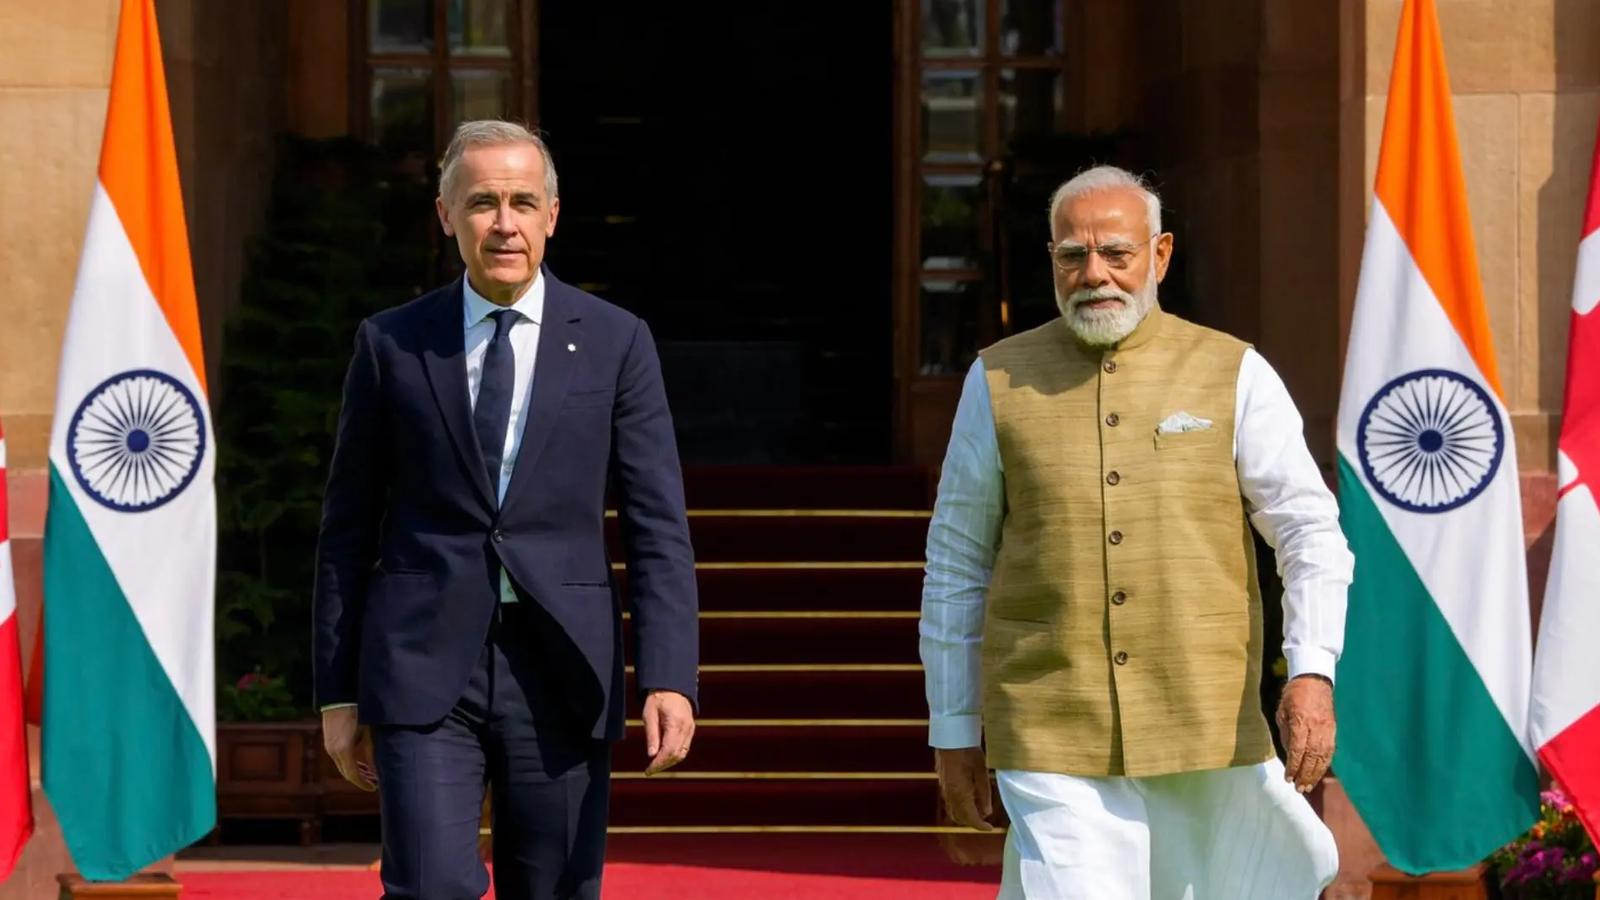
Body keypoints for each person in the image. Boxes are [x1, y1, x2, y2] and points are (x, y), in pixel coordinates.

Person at [920, 165, 1352, 898]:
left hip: (1206, 722)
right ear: (1051, 261)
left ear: (1160, 255)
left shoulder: (1234, 371)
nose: (1094, 275)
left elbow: (1309, 532)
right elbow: (957, 561)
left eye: (1116, 253)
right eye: (1072, 256)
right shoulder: (996, 379)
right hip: (1050, 728)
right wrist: (954, 726)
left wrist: (1310, 670)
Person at [312, 119, 699, 900]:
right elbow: (347, 525)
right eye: (482, 201)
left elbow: (658, 525)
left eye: (523, 201)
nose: (505, 223)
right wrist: (338, 689)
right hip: (423, 665)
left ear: (553, 215)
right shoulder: (391, 344)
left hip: (560, 665)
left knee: (553, 887)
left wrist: (668, 675)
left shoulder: (617, 342)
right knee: (427, 885)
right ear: (446, 215)